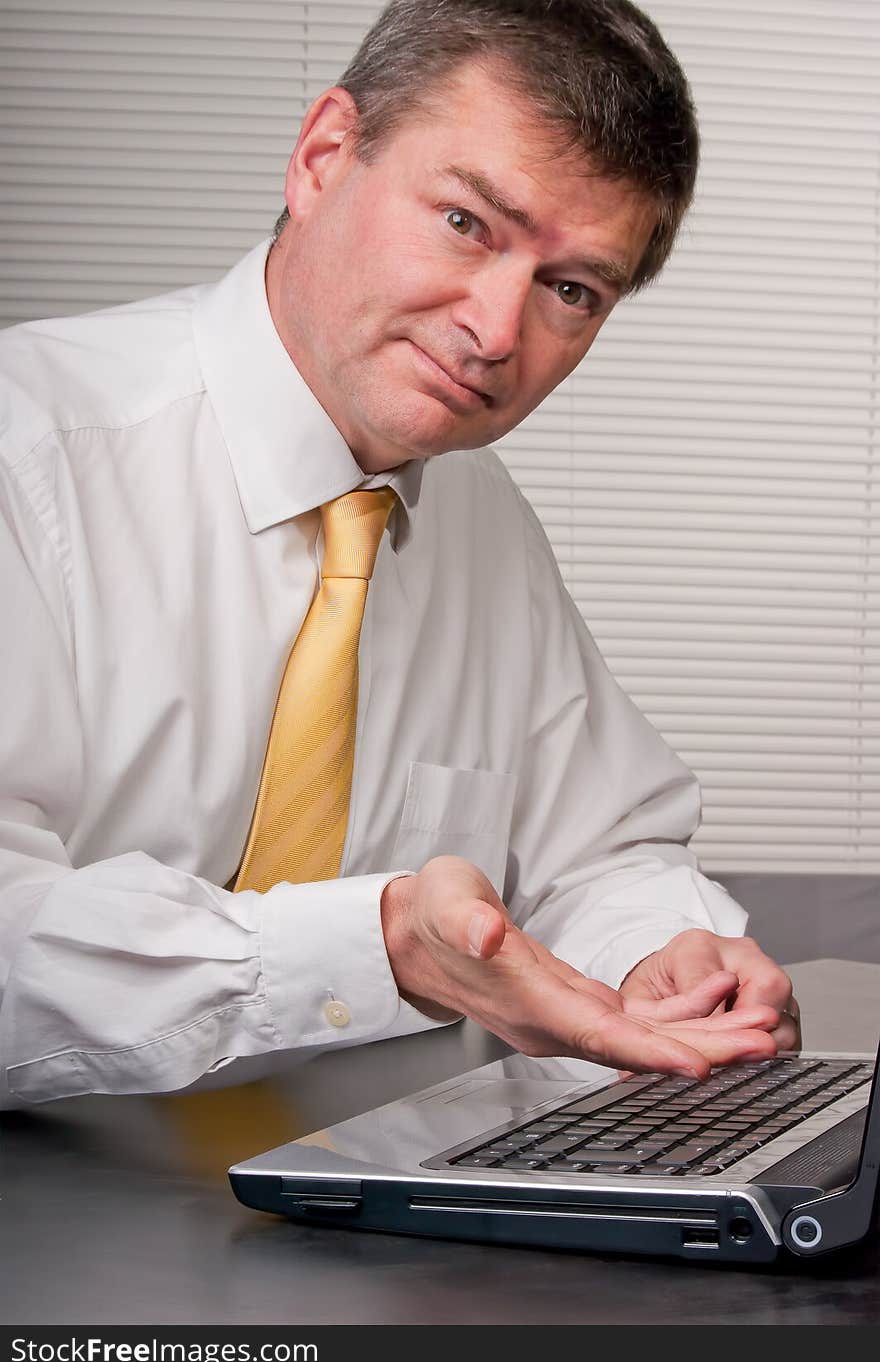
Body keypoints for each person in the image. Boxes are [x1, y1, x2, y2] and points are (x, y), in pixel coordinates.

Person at [0, 0, 800, 1109]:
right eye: (468, 224)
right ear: (324, 156)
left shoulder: (482, 521)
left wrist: (662, 954)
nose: (495, 333)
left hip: (357, 1209)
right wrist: (379, 947)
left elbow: (594, 853)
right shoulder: (24, 450)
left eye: (570, 290)